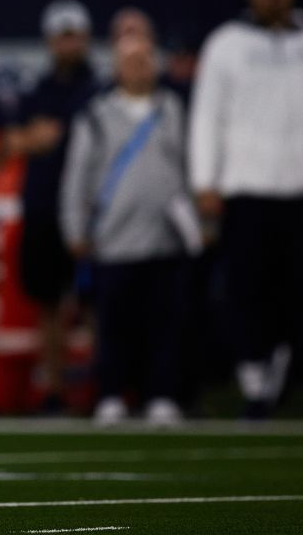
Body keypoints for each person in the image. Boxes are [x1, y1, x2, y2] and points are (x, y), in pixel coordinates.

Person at [189, 0, 303, 419]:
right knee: (248, 293)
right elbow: (207, 116)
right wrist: (206, 181)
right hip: (247, 189)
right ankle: (255, 385)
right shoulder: (226, 45)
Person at [60, 33, 196, 426]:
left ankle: (161, 395)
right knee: (113, 328)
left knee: (164, 327)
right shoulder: (96, 115)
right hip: (113, 244)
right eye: (130, 61)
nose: (139, 68)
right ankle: (110, 395)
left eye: (145, 60)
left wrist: (200, 223)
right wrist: (75, 230)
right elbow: (76, 178)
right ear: (117, 68)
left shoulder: (172, 109)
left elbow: (190, 167)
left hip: (165, 241)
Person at [0, 0, 99, 415]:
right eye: (61, 37)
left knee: (93, 305)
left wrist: (41, 136)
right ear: (50, 41)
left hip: (90, 210)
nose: (68, 44)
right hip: (44, 207)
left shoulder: (97, 89)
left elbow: (43, 137)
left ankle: (102, 390)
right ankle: (56, 390)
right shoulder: (41, 88)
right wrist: (37, 137)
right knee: (49, 305)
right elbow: (16, 140)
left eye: (74, 36)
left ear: (84, 39)